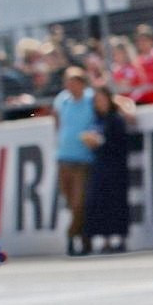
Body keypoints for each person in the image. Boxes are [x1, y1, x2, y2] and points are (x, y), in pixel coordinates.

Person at [50, 67, 97, 256]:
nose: (70, 86)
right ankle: (85, 237)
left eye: (74, 81)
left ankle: (72, 236)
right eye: (67, 82)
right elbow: (57, 120)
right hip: (64, 158)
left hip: (83, 159)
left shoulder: (90, 99)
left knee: (80, 202)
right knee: (71, 203)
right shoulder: (62, 100)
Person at [82, 86, 135, 253]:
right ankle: (105, 239)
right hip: (100, 166)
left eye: (102, 100)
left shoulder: (115, 119)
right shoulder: (96, 121)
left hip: (116, 167)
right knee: (100, 204)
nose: (100, 104)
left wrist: (102, 142)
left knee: (117, 203)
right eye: (97, 101)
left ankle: (121, 237)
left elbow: (121, 144)